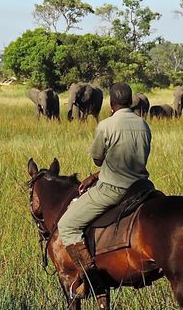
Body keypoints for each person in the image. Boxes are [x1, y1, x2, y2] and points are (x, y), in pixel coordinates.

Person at [58, 82, 152, 299]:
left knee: (67, 224)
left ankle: (91, 278)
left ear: (111, 103)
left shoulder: (106, 125)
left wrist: (98, 171)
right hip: (142, 186)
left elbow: (98, 159)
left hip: (113, 189)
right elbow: (133, 162)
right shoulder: (144, 125)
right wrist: (95, 176)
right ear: (131, 101)